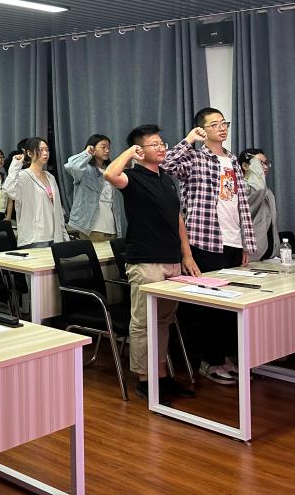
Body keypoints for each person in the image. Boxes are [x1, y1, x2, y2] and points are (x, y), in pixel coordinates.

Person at [104, 124, 200, 400]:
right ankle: (146, 380)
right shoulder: (132, 178)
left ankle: (162, 376)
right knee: (144, 322)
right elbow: (110, 174)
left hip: (171, 259)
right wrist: (129, 153)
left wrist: (186, 254)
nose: (161, 148)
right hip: (145, 261)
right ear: (139, 150)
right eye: (154, 144)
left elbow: (177, 218)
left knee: (164, 321)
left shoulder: (167, 179)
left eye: (162, 143)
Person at [162, 107, 256, 385]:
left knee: (232, 305)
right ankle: (209, 361)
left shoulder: (232, 159)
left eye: (224, 122)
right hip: (204, 240)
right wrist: (189, 139)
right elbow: (166, 165)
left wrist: (245, 243)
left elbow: (239, 203)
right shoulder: (195, 157)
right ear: (202, 130)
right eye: (214, 124)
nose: (222, 127)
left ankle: (226, 357)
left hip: (233, 240)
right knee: (210, 307)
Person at [3, 137, 69, 247]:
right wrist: (16, 165)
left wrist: (63, 233)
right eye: (41, 150)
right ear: (29, 153)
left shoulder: (50, 177)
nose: (45, 153)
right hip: (34, 238)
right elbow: (8, 189)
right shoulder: (23, 176)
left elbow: (57, 207)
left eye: (47, 150)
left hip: (55, 237)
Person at [65, 135, 126, 242]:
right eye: (103, 147)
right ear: (92, 147)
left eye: (108, 147)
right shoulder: (84, 169)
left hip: (112, 228)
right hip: (91, 228)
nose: (107, 150)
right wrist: (87, 153)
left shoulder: (110, 171)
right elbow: (71, 166)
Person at [238, 148, 278, 261]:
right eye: (260, 163)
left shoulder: (267, 190)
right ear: (245, 166)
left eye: (266, 163)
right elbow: (258, 188)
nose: (265, 167)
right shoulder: (243, 188)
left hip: (270, 254)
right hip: (250, 254)